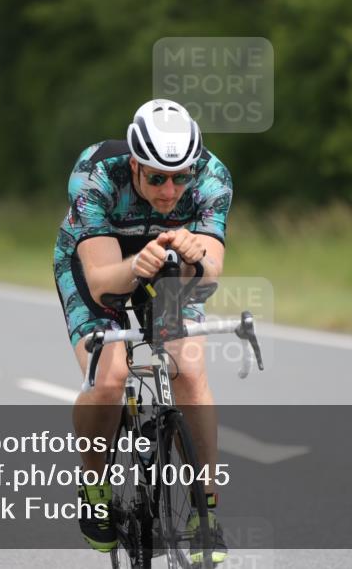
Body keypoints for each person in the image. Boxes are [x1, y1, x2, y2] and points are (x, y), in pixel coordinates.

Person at [53, 98, 232, 563]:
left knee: (189, 369)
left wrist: (195, 257)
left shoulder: (213, 177)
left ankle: (204, 510)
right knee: (109, 377)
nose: (170, 190)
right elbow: (102, 282)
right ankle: (95, 487)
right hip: (101, 260)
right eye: (156, 177)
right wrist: (138, 263)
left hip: (169, 265)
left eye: (180, 177)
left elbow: (209, 274)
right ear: (134, 164)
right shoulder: (96, 174)